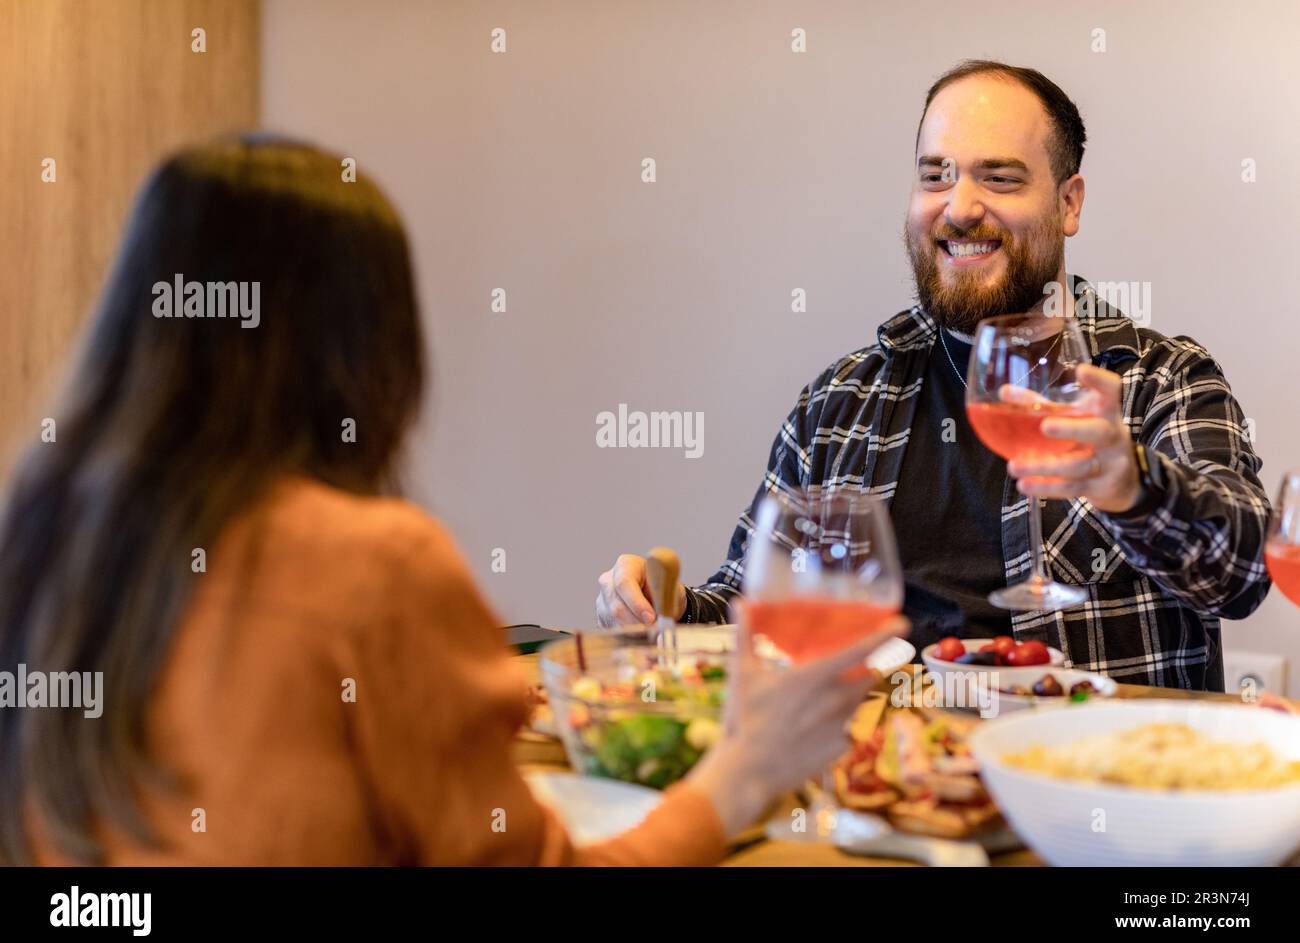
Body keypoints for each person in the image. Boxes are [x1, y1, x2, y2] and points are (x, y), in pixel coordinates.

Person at [0, 136, 908, 865]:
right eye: (935, 172)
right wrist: (747, 774)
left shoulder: (40, 531)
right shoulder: (373, 564)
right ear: (366, 346)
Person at [597, 60, 1271, 691]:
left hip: (1089, 787)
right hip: (875, 787)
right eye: (935, 175)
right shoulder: (839, 402)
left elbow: (1240, 577)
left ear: (1069, 204)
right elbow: (758, 608)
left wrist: (1133, 483)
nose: (960, 207)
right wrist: (670, 610)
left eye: (999, 178)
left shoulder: (1159, 378)